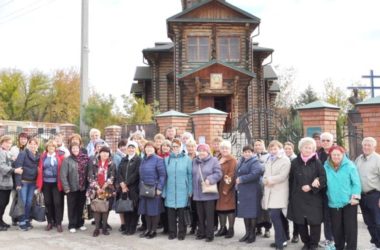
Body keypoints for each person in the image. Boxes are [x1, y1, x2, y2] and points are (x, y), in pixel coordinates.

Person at [288, 137, 326, 250]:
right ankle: (306, 242)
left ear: (313, 149)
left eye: (310, 148)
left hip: (314, 198)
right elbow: (291, 180)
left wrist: (312, 186)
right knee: (300, 222)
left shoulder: (317, 162)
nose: (308, 150)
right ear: (301, 148)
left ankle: (314, 244)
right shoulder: (294, 162)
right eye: (306, 147)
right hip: (298, 198)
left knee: (315, 223)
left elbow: (323, 179)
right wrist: (291, 196)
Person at [324, 145, 361, 250]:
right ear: (330, 155)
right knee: (336, 229)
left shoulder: (350, 165)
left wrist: (355, 198)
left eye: (338, 154)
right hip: (333, 202)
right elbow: (322, 179)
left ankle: (351, 248)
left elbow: (356, 183)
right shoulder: (325, 166)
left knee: (350, 228)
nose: (336, 157)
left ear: (343, 155)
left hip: (349, 202)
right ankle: (339, 247)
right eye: (334, 155)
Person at [262, 141, 291, 250]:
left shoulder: (285, 160)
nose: (273, 151)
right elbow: (265, 173)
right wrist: (264, 179)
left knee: (275, 217)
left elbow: (283, 176)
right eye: (271, 149)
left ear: (280, 148)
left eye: (275, 149)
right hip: (269, 191)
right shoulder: (269, 159)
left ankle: (280, 243)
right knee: (277, 218)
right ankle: (282, 240)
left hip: (279, 192)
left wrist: (269, 180)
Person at [162, 138, 192, 240]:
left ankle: (182, 233)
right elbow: (164, 177)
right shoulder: (166, 160)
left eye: (177, 146)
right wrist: (164, 191)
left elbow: (190, 175)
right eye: (173, 146)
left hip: (182, 190)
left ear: (181, 147)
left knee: (182, 213)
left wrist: (190, 190)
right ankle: (172, 232)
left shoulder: (187, 159)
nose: (175, 148)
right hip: (170, 190)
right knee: (170, 213)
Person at [192, 143, 222, 242]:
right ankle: (201, 232)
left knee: (209, 216)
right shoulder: (195, 161)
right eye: (200, 150)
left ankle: (209, 235)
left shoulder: (214, 160)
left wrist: (210, 179)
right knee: (200, 215)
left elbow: (218, 173)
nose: (202, 152)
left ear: (208, 151)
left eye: (204, 151)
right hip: (197, 193)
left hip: (209, 193)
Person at [355, 137, 380, 250]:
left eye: (369, 145)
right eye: (365, 145)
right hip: (362, 196)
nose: (366, 147)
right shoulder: (359, 159)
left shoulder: (378, 159)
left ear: (374, 147)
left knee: (377, 221)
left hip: (375, 195)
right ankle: (375, 243)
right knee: (368, 221)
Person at [138, 141, 166, 239]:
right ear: (144, 149)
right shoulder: (143, 159)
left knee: (154, 211)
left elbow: (163, 175)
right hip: (144, 188)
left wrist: (159, 188)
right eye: (147, 147)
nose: (148, 149)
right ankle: (148, 229)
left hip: (154, 189)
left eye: (151, 147)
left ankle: (153, 230)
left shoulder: (159, 160)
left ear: (154, 149)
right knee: (146, 210)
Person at [36, 140, 65, 232]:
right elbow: (40, 170)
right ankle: (50, 222)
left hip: (56, 183)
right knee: (48, 203)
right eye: (49, 147)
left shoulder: (60, 156)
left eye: (53, 147)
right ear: (47, 148)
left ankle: (59, 223)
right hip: (46, 183)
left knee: (57, 203)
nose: (51, 148)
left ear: (55, 148)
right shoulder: (43, 157)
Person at [235, 145, 263, 243]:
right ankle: (247, 233)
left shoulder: (255, 162)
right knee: (245, 213)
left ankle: (252, 234)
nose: (247, 153)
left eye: (249, 152)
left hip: (252, 191)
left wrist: (242, 179)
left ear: (252, 153)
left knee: (252, 213)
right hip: (243, 191)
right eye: (245, 152)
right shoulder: (242, 161)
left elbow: (255, 174)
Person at [60, 142, 89, 233]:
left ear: (79, 148)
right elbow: (63, 175)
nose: (75, 150)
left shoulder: (84, 159)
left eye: (76, 148)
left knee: (81, 206)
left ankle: (80, 223)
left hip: (82, 187)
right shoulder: (67, 160)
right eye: (73, 148)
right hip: (71, 188)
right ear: (70, 150)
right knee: (72, 207)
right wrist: (66, 187)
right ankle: (72, 224)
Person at [87, 146, 116, 237]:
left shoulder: (112, 163)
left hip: (107, 189)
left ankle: (104, 228)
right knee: (96, 208)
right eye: (103, 152)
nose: (105, 154)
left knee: (105, 208)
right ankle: (97, 228)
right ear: (99, 153)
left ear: (109, 154)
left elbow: (112, 176)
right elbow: (90, 175)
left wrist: (104, 186)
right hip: (95, 189)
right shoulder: (93, 162)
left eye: (107, 153)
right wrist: (97, 187)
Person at [14, 137, 40, 231]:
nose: (33, 145)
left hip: (32, 183)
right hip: (23, 182)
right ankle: (21, 221)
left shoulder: (38, 156)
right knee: (23, 202)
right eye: (31, 143)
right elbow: (18, 168)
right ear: (28, 145)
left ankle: (26, 219)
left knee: (29, 203)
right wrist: (17, 183)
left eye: (35, 144)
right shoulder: (23, 153)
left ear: (37, 145)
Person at [0, 135, 23, 231]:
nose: (8, 144)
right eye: (6, 142)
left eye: (10, 143)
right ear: (2, 143)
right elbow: (2, 167)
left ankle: (0, 221)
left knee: (5, 202)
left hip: (8, 183)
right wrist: (14, 170)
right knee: (1, 203)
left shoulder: (8, 153)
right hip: (1, 182)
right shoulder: (1, 152)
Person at [215, 140, 237, 238]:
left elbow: (231, 175)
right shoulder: (218, 158)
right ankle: (223, 228)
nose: (224, 150)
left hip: (227, 187)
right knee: (220, 209)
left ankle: (231, 229)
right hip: (218, 187)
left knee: (229, 209)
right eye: (222, 148)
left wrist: (226, 188)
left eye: (226, 148)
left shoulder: (232, 160)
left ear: (230, 149)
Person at [118, 140, 141, 235]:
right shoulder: (123, 159)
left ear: (136, 149)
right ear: (127, 149)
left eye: (133, 147)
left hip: (133, 188)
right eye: (129, 147)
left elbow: (136, 174)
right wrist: (122, 184)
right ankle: (127, 227)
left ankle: (132, 228)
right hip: (123, 188)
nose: (131, 149)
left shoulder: (138, 159)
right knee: (126, 207)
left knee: (134, 208)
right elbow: (119, 172)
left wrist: (126, 183)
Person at [318, 132, 335, 248]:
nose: (325, 142)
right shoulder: (317, 154)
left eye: (327, 140)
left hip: (334, 190)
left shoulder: (337, 153)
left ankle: (333, 239)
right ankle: (329, 238)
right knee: (326, 216)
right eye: (323, 140)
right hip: (321, 191)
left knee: (333, 216)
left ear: (332, 141)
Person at [254, 139, 271, 238]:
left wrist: (258, 168)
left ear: (263, 145)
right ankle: (258, 227)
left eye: (259, 145)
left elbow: (267, 168)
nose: (257, 147)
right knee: (256, 207)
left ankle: (267, 228)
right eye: (255, 145)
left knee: (265, 207)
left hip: (265, 185)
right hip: (254, 186)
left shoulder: (268, 156)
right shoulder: (251, 155)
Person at [282, 141, 299, 243]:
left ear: (293, 149)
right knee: (283, 213)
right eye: (286, 148)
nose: (287, 150)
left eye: (289, 149)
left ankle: (296, 234)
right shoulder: (281, 159)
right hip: (283, 190)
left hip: (293, 190)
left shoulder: (296, 160)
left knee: (295, 213)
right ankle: (285, 234)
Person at [113, 139, 128, 233]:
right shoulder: (117, 156)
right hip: (120, 183)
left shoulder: (130, 155)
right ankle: (123, 223)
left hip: (129, 183)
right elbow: (117, 170)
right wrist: (121, 183)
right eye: (121, 145)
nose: (123, 147)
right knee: (122, 204)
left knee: (129, 203)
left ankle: (129, 222)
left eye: (125, 145)